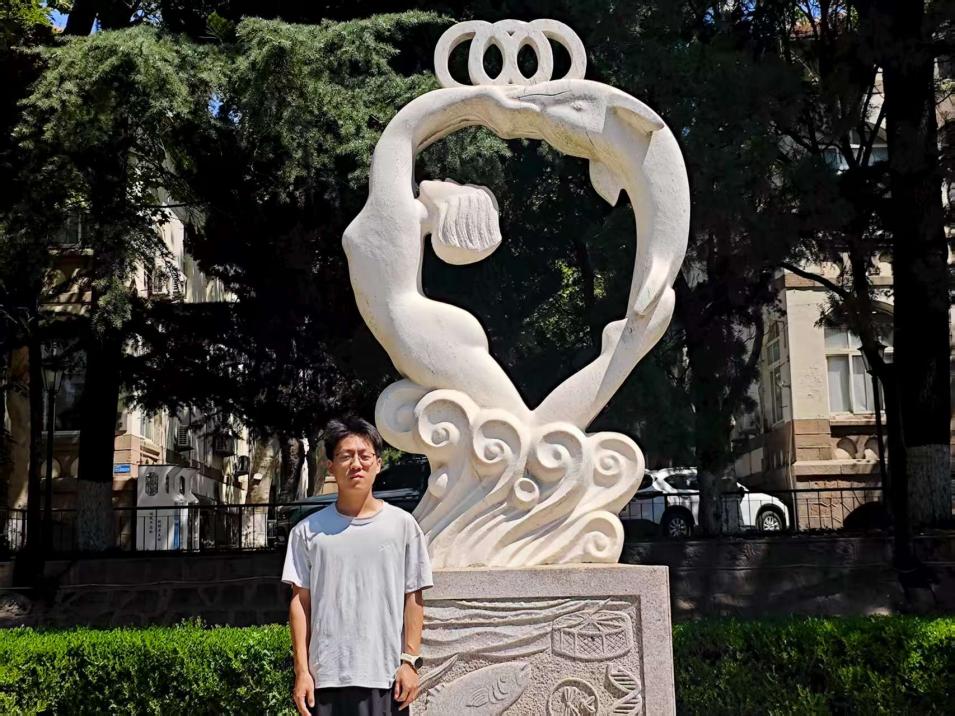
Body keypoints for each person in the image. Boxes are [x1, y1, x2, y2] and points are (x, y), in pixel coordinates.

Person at [282, 417, 433, 715]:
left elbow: (413, 596)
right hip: (325, 678)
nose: (356, 464)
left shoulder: (403, 526)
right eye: (346, 456)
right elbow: (300, 602)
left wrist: (410, 662)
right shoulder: (307, 531)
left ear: (378, 464)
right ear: (331, 466)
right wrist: (302, 671)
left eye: (364, 456)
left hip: (386, 677)